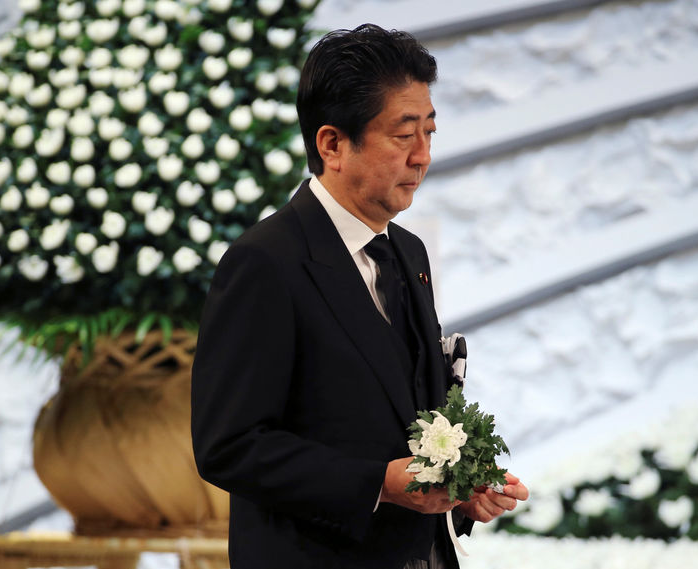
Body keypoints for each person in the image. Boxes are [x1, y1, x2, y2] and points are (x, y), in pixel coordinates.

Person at [191, 24, 528, 569]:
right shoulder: (265, 262)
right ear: (332, 144)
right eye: (403, 135)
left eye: (430, 133)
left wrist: (460, 487)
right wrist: (379, 484)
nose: (422, 156)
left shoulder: (409, 253)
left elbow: (409, 413)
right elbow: (229, 446)